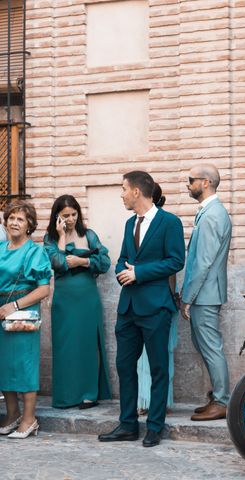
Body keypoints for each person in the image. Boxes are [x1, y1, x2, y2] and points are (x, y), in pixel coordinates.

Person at [98, 171, 184, 448]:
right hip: (128, 307)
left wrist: (141, 273)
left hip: (156, 306)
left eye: (123, 189)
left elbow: (176, 261)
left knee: (158, 368)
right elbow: (123, 258)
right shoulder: (128, 224)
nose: (121, 194)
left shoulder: (170, 222)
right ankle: (127, 425)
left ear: (137, 191)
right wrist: (122, 270)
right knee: (124, 366)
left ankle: (154, 427)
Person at [44, 195, 112, 409]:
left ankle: (89, 395)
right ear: (57, 216)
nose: (71, 219)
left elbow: (105, 262)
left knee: (88, 344)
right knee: (66, 345)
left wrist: (83, 261)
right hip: (64, 300)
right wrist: (62, 237)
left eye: (74, 214)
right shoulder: (50, 238)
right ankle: (67, 395)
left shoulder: (89, 235)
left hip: (87, 298)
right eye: (66, 215)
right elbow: (57, 262)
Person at [180, 165, 232, 421]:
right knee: (206, 346)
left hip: (206, 294)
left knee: (211, 348)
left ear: (206, 182)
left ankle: (223, 401)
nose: (188, 185)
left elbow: (203, 262)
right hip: (206, 293)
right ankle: (218, 396)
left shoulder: (212, 215)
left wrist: (187, 297)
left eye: (191, 180)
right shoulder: (210, 212)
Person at [0, 201, 52, 439]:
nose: (14, 222)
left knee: (24, 364)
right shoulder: (0, 247)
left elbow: (44, 289)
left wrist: (15, 305)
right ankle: (12, 415)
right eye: (11, 217)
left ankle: (30, 419)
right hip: (1, 311)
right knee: (4, 365)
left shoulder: (35, 251)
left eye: (20, 219)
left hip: (23, 312)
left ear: (30, 224)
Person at [136, 183, 179, 416]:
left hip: (160, 297)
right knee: (150, 355)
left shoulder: (166, 224)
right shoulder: (136, 225)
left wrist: (172, 296)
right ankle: (147, 400)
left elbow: (171, 267)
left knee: (156, 355)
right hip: (152, 297)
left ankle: (152, 402)